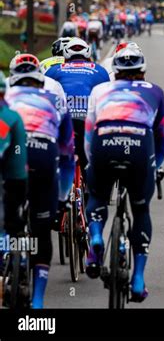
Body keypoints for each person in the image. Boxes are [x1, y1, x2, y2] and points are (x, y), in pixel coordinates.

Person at [85, 47, 164, 302]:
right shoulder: (155, 91)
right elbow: (161, 136)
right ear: (142, 72)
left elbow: (89, 133)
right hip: (139, 150)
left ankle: (97, 236)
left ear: (116, 72)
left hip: (103, 145)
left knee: (98, 196)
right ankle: (139, 279)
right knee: (141, 210)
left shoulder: (100, 90)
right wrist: (157, 166)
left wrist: (92, 163)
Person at [5, 54, 74, 308]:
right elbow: (68, 154)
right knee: (42, 232)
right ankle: (37, 301)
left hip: (11, 158)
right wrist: (63, 198)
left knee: (6, 219)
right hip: (44, 159)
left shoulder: (6, 99)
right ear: (40, 80)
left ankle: (5, 252)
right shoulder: (55, 100)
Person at [46, 37, 110, 175]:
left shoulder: (54, 70)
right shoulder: (100, 71)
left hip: (63, 121)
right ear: (88, 54)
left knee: (56, 159)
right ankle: (90, 187)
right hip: (88, 122)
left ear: (65, 55)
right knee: (92, 159)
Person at [0, 72, 28, 272]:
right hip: (16, 178)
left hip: (11, 176)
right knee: (14, 221)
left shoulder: (7, 118)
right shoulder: (11, 115)